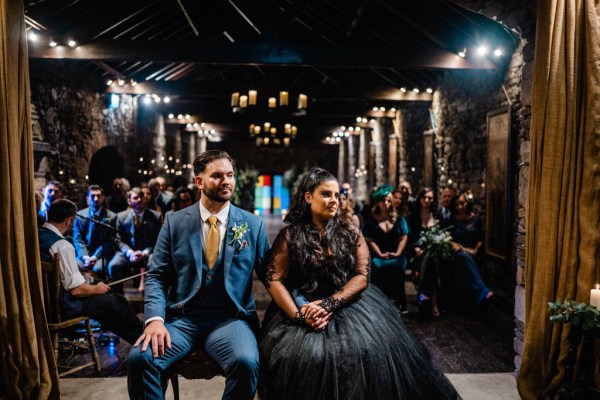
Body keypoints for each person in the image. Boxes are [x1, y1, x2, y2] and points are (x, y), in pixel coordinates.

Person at [259, 167, 459, 400]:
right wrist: (299, 315)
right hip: (301, 306)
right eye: (326, 194)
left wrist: (329, 304)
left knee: (365, 352)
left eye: (336, 195)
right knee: (302, 357)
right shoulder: (290, 235)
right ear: (308, 197)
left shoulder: (351, 232)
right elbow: (274, 278)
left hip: (347, 303)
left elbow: (362, 275)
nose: (334, 200)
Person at [127, 150, 270, 400]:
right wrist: (155, 321)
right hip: (181, 321)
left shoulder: (252, 225)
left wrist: (300, 305)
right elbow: (157, 276)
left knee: (246, 362)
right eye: (217, 176)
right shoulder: (175, 222)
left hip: (231, 320)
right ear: (199, 181)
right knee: (140, 359)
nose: (226, 181)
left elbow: (272, 277)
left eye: (230, 175)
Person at [38, 199, 143, 343]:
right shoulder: (61, 245)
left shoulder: (35, 237)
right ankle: (145, 339)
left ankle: (140, 340)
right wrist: (98, 289)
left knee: (107, 302)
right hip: (62, 305)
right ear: (69, 220)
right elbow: (76, 290)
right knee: (116, 302)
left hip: (41, 302)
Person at [443, 190, 493, 310]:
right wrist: (457, 246)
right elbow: (446, 237)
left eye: (462, 203)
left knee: (467, 258)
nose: (459, 207)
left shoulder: (476, 219)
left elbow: (480, 238)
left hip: (473, 252)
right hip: (457, 252)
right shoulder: (451, 219)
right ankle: (482, 291)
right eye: (457, 204)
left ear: (467, 203)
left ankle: (476, 299)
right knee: (463, 257)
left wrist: (475, 249)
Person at [363, 184, 410, 310]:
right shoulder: (372, 220)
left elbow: (403, 238)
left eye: (389, 200)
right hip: (379, 255)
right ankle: (378, 304)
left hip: (397, 255)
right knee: (377, 266)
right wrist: (380, 254)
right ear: (378, 202)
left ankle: (399, 303)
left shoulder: (399, 219)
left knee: (398, 266)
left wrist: (398, 253)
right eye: (383, 200)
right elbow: (370, 240)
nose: (386, 203)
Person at [112, 187, 162, 293]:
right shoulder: (121, 217)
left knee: (155, 263)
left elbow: (158, 240)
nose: (139, 200)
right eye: (136, 198)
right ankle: (119, 300)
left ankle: (151, 297)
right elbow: (119, 240)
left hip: (148, 252)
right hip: (128, 252)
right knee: (114, 265)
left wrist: (144, 253)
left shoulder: (155, 216)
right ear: (129, 201)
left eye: (141, 197)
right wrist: (130, 253)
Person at [407, 187, 441, 317]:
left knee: (431, 258)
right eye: (424, 197)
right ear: (420, 198)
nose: (427, 200)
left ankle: (423, 294)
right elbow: (409, 238)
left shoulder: (437, 215)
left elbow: (442, 234)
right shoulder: (413, 216)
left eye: (430, 198)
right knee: (428, 259)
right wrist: (416, 248)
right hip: (417, 254)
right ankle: (433, 301)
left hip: (434, 253)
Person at [72, 185, 117, 277]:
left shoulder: (111, 216)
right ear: (87, 198)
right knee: (78, 268)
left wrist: (95, 257)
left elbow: (109, 241)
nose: (96, 199)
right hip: (84, 254)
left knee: (97, 270)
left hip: (102, 255)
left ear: (103, 197)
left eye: (99, 196)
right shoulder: (79, 216)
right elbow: (78, 239)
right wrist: (85, 257)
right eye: (93, 196)